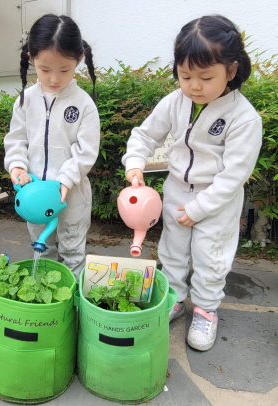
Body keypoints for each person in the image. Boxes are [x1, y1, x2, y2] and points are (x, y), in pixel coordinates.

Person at [122, 15, 262, 351]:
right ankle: (173, 298)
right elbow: (144, 134)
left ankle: (205, 309)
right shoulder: (175, 101)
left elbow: (234, 176)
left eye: (205, 77)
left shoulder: (244, 117)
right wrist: (135, 163)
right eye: (185, 76)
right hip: (176, 191)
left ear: (231, 70)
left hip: (216, 203)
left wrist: (200, 209)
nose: (194, 86)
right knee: (171, 249)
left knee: (210, 256)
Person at [4, 14, 101, 278]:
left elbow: (86, 151)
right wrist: (16, 166)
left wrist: (66, 180)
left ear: (78, 61)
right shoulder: (26, 100)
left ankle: (73, 305)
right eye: (45, 69)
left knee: (72, 252)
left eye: (64, 70)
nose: (55, 79)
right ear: (31, 57)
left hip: (71, 197)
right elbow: (16, 140)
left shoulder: (83, 104)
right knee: (42, 250)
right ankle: (49, 309)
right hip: (34, 192)